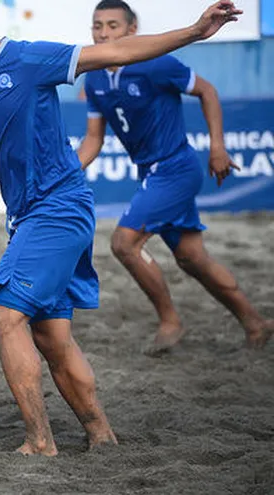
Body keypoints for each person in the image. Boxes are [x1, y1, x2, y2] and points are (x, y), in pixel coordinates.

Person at [0, 0, 243, 456]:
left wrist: (194, 31)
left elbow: (117, 54)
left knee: (5, 318)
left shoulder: (29, 58)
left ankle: (39, 441)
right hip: (30, 218)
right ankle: (101, 436)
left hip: (57, 210)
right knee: (52, 337)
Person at [76, 0, 273, 355]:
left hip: (176, 169)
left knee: (124, 243)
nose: (103, 33)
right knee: (193, 259)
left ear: (131, 30)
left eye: (112, 26)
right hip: (150, 175)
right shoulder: (94, 77)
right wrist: (67, 172)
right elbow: (93, 139)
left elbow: (207, 91)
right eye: (97, 26)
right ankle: (255, 322)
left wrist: (217, 147)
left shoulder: (156, 63)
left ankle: (170, 320)